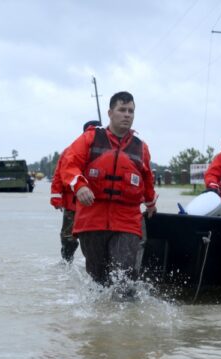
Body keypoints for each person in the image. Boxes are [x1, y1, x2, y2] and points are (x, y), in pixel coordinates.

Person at [61, 92, 157, 287]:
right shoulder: (90, 139)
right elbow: (68, 164)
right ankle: (100, 317)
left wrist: (151, 203)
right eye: (122, 110)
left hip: (126, 221)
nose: (127, 115)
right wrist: (79, 186)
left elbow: (147, 179)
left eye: (131, 111)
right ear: (110, 113)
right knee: (98, 281)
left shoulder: (141, 148)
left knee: (124, 277)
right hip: (92, 219)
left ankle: (126, 315)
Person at [50, 120, 101, 263]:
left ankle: (92, 265)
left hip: (96, 204)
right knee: (68, 237)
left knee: (93, 236)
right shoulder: (71, 151)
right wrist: (56, 198)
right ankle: (67, 261)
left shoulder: (107, 150)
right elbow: (59, 176)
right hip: (73, 203)